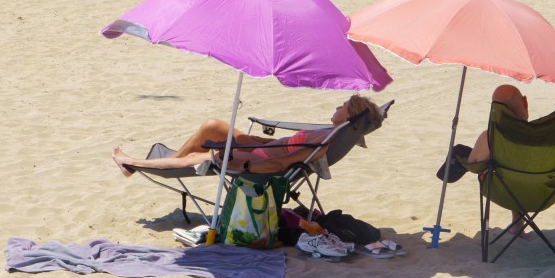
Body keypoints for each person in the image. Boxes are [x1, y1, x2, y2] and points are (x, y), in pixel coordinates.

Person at [111, 95, 384, 178]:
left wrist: (243, 164)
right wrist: (261, 142)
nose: (336, 106)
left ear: (348, 117)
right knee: (213, 125)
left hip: (256, 161)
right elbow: (287, 148)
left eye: (342, 107)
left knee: (200, 156)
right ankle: (167, 160)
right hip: (262, 149)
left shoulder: (324, 140)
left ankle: (133, 163)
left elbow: (281, 164)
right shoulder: (331, 134)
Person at [467, 84, 555, 231]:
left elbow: (473, 165)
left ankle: (517, 224)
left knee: (509, 174)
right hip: (546, 196)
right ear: (525, 102)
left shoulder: (490, 139)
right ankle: (518, 224)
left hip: (506, 193)